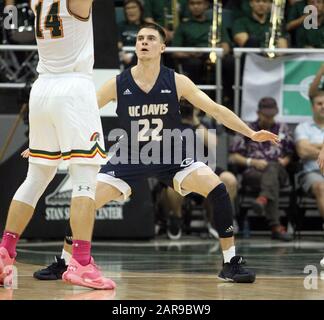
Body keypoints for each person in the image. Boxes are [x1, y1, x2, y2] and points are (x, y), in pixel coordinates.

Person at [32, 22, 279, 284]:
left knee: (218, 188)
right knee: (85, 201)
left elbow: (215, 110)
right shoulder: (118, 83)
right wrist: (47, 141)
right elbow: (80, 114)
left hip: (172, 155)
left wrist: (251, 133)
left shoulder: (176, 81)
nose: (144, 42)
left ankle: (230, 262)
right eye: (140, 38)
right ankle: (65, 261)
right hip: (129, 156)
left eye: (151, 38)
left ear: (162, 47)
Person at [0, 0, 116, 290]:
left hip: (42, 89)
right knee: (84, 180)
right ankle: (81, 262)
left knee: (36, 177)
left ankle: (4, 253)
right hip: (73, 89)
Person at [229, 97, 294, 241]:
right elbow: (233, 156)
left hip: (279, 170)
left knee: (272, 169)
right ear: (258, 113)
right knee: (270, 179)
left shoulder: (283, 128)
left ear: (276, 112)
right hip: (253, 172)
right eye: (266, 114)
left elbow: (290, 154)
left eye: (272, 114)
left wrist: (285, 161)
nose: (269, 118)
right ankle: (275, 226)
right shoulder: (248, 128)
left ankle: (263, 199)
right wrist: (252, 161)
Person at [295, 91, 324, 231]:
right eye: (319, 103)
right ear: (313, 107)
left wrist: (314, 145)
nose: (323, 106)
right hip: (311, 172)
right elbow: (303, 151)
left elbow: (308, 148)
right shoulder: (303, 127)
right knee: (321, 187)